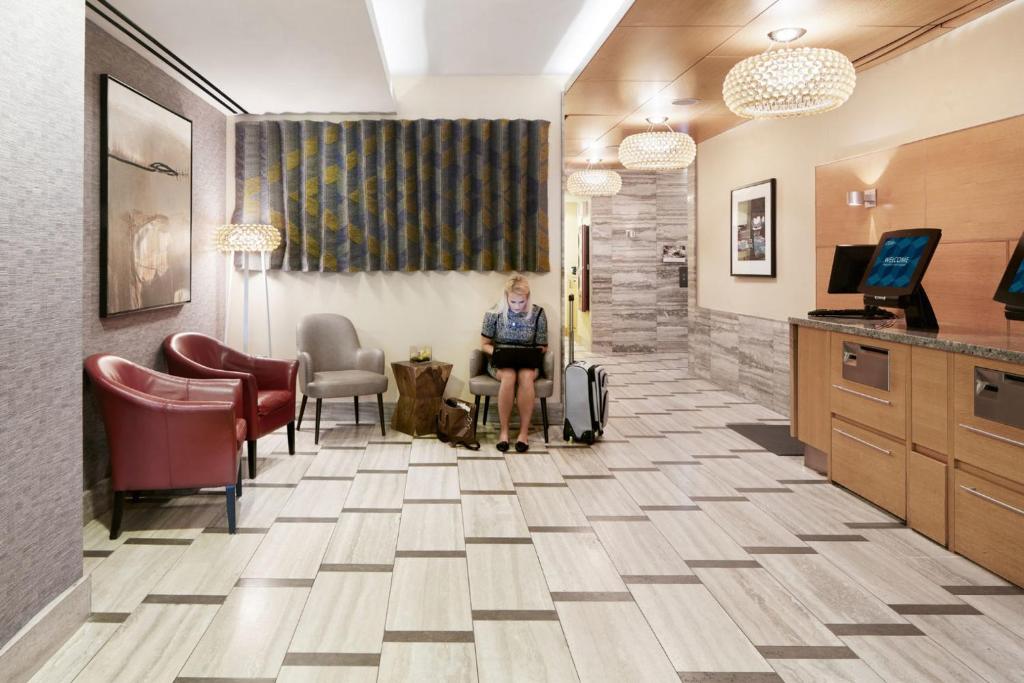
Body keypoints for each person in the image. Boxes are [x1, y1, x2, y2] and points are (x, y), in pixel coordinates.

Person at [480, 274, 548, 453]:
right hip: (501, 360)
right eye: (513, 302)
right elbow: (484, 344)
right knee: (509, 376)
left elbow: (543, 346)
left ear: (528, 297)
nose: (517, 306)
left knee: (526, 377)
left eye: (522, 302)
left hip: (528, 362)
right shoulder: (493, 313)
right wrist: (499, 352)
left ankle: (523, 434)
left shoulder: (538, 314)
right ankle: (504, 433)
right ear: (506, 297)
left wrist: (532, 352)